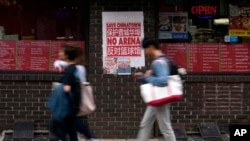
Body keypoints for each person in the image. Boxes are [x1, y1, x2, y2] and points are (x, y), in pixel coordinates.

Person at [134, 37, 176, 141]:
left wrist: (145, 77)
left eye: (145, 49)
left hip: (160, 98)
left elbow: (163, 81)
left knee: (165, 128)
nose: (145, 52)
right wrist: (146, 77)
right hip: (157, 97)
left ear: (151, 47)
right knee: (145, 123)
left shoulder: (158, 62)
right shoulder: (163, 59)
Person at [51, 45, 97, 141]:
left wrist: (60, 90)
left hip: (69, 103)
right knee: (71, 127)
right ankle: (91, 138)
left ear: (67, 55)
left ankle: (91, 138)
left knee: (57, 126)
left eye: (62, 52)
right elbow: (59, 62)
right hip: (73, 102)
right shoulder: (77, 67)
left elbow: (67, 88)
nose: (60, 54)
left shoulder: (72, 69)